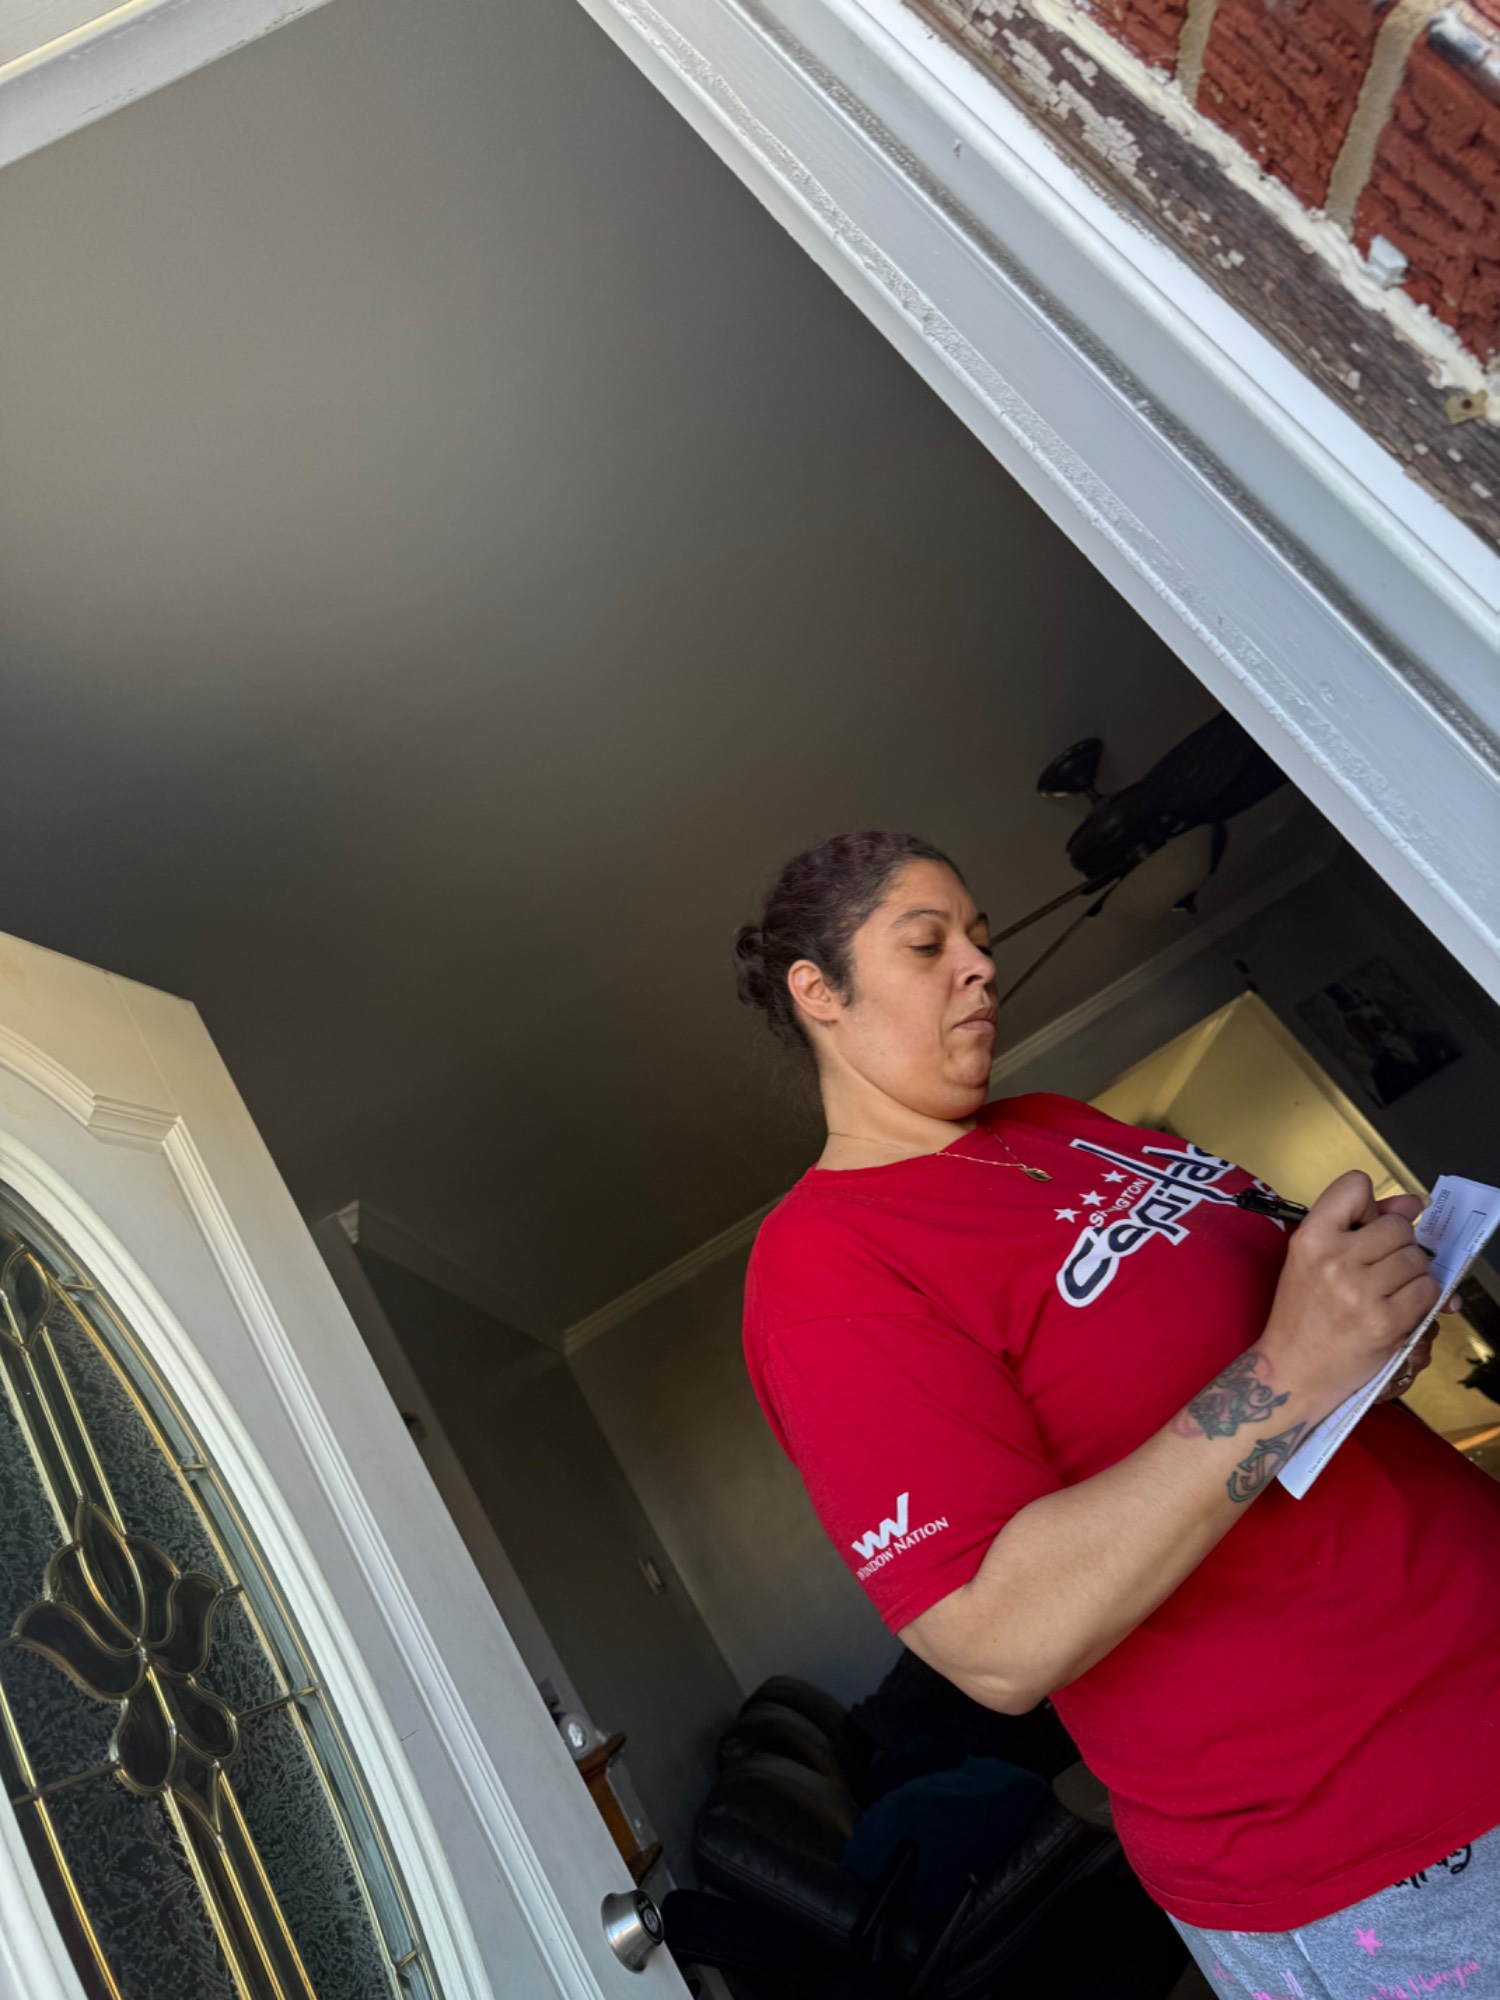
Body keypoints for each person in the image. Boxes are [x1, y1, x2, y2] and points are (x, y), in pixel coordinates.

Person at [734, 829, 1500, 1995]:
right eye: (928, 944)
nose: (982, 964)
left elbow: (1265, 1354)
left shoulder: (1055, 1122)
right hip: (1378, 1822)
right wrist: (1294, 1369)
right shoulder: (822, 1263)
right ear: (819, 990)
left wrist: (1366, 1327)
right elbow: (997, 1637)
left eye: (981, 938)